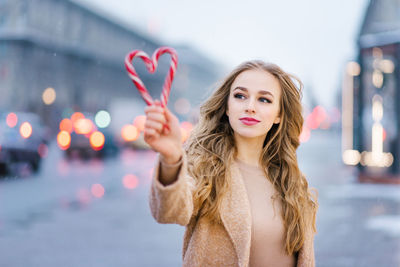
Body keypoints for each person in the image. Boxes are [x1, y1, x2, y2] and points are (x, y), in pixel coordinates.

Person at [144, 60, 318, 267]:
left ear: (279, 115)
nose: (250, 107)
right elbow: (169, 211)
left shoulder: (291, 179)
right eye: (240, 96)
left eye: (264, 100)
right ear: (227, 106)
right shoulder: (204, 166)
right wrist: (171, 158)